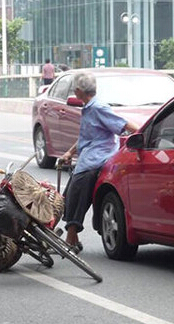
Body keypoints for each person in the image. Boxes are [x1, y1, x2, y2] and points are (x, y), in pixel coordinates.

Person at [60, 71, 139, 252]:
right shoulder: (88, 108)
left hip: (95, 161)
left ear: (79, 91)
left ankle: (70, 239)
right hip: (86, 159)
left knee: (77, 199)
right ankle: (73, 238)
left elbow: (123, 124)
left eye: (74, 89)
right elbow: (87, 136)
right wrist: (69, 152)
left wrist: (143, 133)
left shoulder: (98, 108)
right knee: (67, 197)